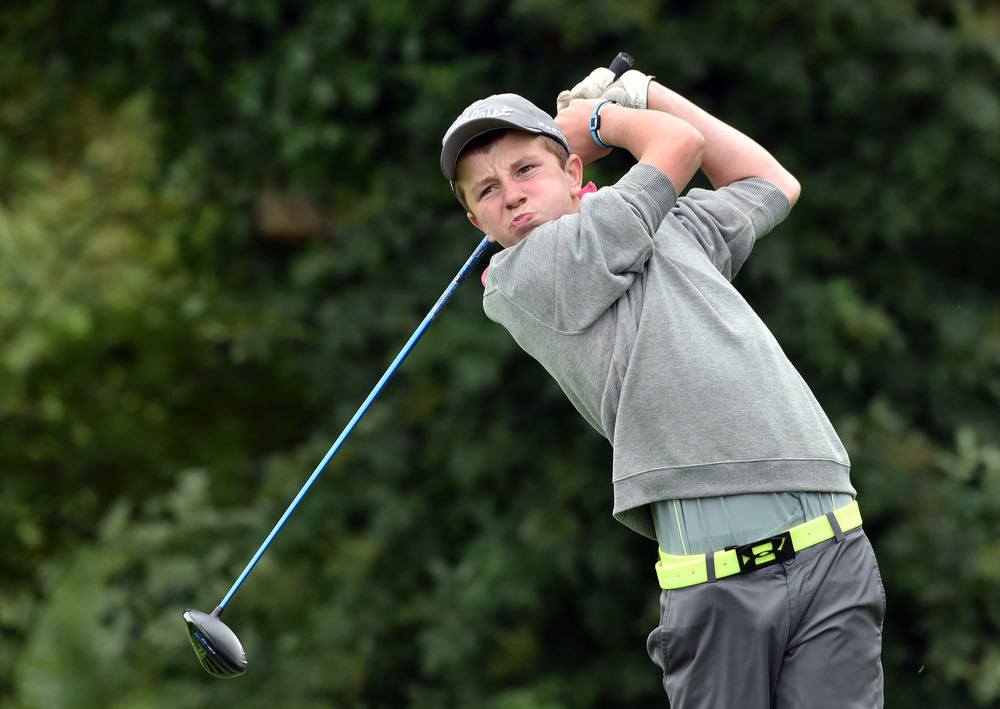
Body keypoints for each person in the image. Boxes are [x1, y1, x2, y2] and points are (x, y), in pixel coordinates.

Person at [439, 64, 885, 708]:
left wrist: (644, 92)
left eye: (525, 170)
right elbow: (678, 147)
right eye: (485, 191)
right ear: (480, 225)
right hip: (717, 586)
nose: (509, 195)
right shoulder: (522, 276)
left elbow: (772, 184)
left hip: (833, 547)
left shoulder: (661, 224)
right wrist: (607, 122)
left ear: (571, 175)